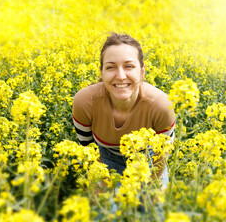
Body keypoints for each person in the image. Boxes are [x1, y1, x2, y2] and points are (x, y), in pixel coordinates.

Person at [72, 32, 175, 187]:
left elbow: (162, 155)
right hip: (104, 161)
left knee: (152, 210)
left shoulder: (160, 105)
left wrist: (151, 191)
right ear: (102, 72)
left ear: (142, 72)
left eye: (129, 66)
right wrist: (102, 182)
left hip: (148, 162)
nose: (120, 76)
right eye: (110, 67)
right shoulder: (85, 102)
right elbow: (89, 149)